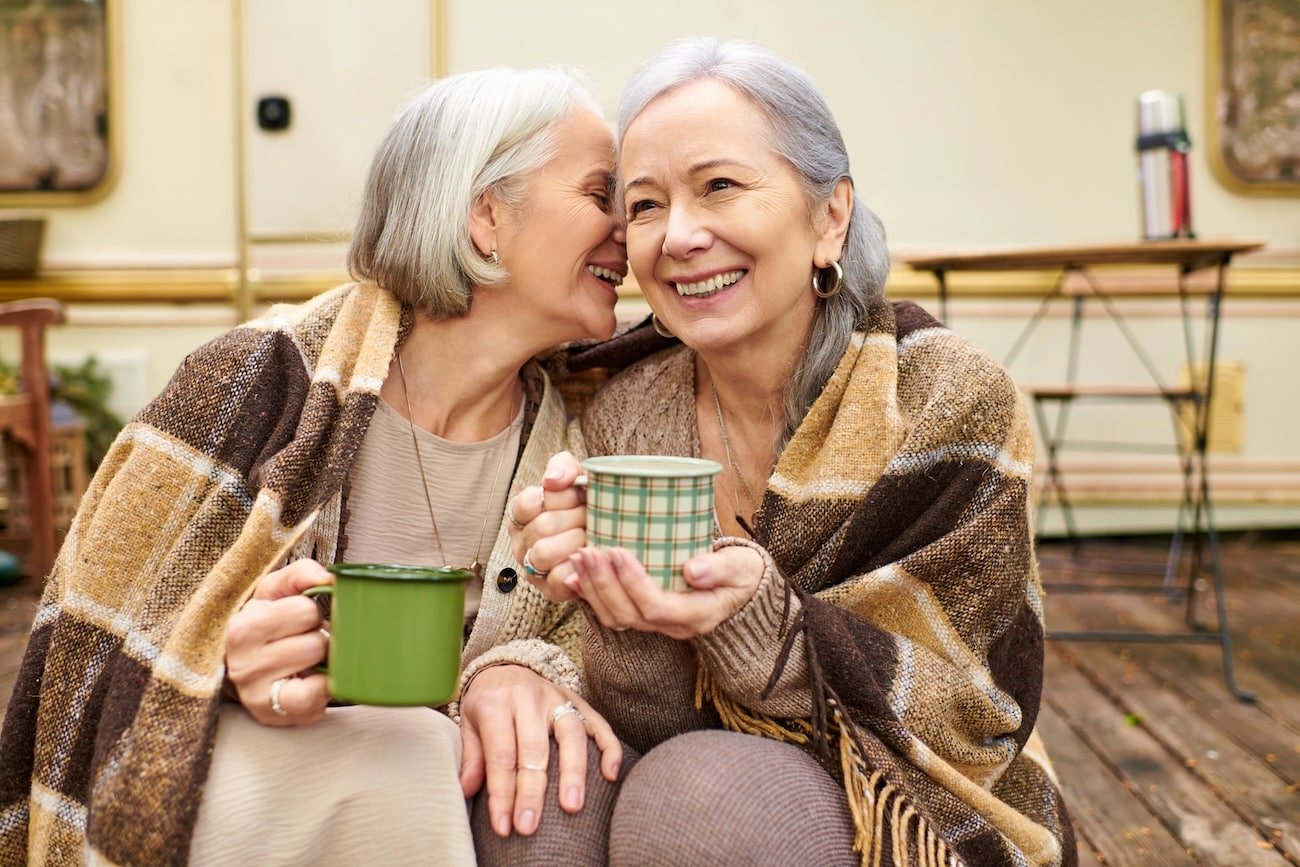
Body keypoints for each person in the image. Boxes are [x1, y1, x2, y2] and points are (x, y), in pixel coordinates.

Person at [0, 66, 628, 865]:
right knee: (411, 753)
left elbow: (601, 641)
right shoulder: (253, 381)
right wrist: (218, 659)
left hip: (417, 797)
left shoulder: (584, 436)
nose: (629, 230)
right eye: (599, 194)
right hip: (220, 780)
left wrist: (522, 664)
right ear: (485, 217)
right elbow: (83, 647)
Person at [507, 38, 1077, 866]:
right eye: (645, 206)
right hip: (687, 769)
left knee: (704, 793)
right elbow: (649, 727)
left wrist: (763, 631)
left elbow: (968, 715)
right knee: (537, 798)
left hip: (908, 791)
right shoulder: (629, 411)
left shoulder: (942, 397)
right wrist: (619, 610)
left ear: (829, 216)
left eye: (720, 187)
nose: (680, 236)